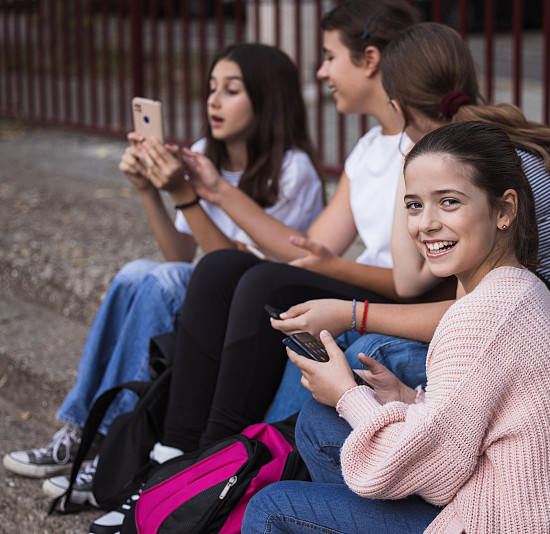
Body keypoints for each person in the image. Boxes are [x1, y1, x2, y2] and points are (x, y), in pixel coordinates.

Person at [265, 22, 550, 438]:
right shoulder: (482, 156)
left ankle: (262, 462)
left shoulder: (489, 171)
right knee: (351, 347)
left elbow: (469, 312)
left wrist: (351, 314)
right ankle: (259, 455)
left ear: (397, 110)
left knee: (370, 353)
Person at [243, 121, 550, 534]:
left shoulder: (481, 317)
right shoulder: (527, 291)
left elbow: (437, 465)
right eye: (414, 205)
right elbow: (479, 421)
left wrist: (346, 394)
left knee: (269, 509)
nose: (425, 224)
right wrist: (405, 398)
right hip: (539, 512)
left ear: (504, 210)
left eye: (448, 202)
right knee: (315, 422)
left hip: (498, 521)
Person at [2, 43, 324, 506]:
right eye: (211, 88)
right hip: (206, 298)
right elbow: (178, 251)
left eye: (231, 90)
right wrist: (150, 191)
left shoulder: (293, 172)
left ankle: (114, 442)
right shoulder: (199, 155)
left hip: (243, 312)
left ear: (267, 99)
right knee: (140, 272)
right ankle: (80, 428)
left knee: (159, 279)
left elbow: (235, 272)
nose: (213, 101)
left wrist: (187, 195)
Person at [147, 0, 422, 462]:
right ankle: (173, 449)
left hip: (397, 300)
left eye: (330, 56)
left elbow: (405, 280)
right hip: (366, 283)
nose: (320, 71)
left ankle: (217, 458)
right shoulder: (369, 146)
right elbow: (308, 250)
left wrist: (333, 268)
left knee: (262, 280)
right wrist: (215, 191)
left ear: (370, 60)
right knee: (221, 267)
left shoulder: (425, 146)